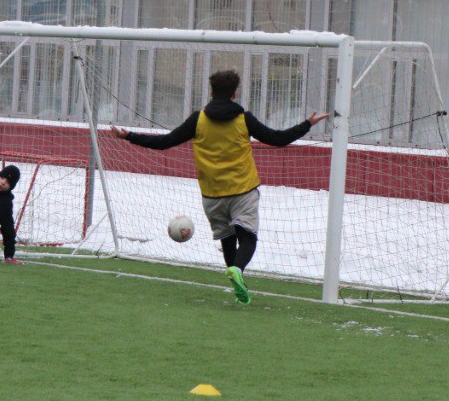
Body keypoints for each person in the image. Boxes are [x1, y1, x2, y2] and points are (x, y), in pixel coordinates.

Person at [112, 69, 329, 305]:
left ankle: (237, 280)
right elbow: (277, 138)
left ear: (211, 92)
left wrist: (129, 135)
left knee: (227, 238)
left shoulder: (198, 119)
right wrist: (306, 124)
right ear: (234, 93)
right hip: (243, 190)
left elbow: (164, 142)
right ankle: (238, 269)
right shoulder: (244, 119)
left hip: (212, 194)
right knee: (248, 238)